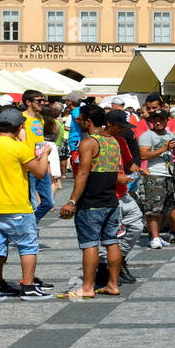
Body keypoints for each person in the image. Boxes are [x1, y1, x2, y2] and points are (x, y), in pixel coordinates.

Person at [0, 105, 53, 302]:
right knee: (28, 246)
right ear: (19, 127)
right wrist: (45, 155)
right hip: (18, 208)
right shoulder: (19, 148)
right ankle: (29, 287)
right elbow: (40, 172)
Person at [59, 104, 125, 297]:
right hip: (111, 200)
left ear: (88, 120)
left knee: (89, 244)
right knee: (112, 242)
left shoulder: (88, 142)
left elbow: (83, 173)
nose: (77, 122)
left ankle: (88, 287)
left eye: (80, 119)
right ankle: (113, 284)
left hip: (91, 201)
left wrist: (72, 201)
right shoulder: (113, 141)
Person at [104, 109, 142, 282]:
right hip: (109, 193)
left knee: (137, 225)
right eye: (121, 127)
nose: (124, 130)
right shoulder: (98, 141)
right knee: (114, 233)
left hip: (123, 192)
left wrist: (140, 170)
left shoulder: (120, 140)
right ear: (109, 125)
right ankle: (109, 266)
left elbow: (128, 162)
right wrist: (117, 177)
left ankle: (120, 259)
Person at [138, 107, 175, 248]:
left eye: (160, 120)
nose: (157, 123)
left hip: (169, 174)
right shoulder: (147, 136)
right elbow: (144, 155)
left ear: (166, 121)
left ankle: (158, 236)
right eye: (155, 120)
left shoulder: (170, 135)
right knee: (153, 208)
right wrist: (163, 149)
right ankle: (154, 237)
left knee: (165, 207)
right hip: (154, 175)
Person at [22, 89, 54, 221]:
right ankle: (30, 230)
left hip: (42, 162)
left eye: (43, 100)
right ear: (28, 102)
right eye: (39, 101)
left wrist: (47, 163)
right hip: (29, 164)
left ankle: (30, 225)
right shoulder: (21, 118)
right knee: (31, 203)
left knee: (48, 202)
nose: (42, 103)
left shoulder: (40, 118)